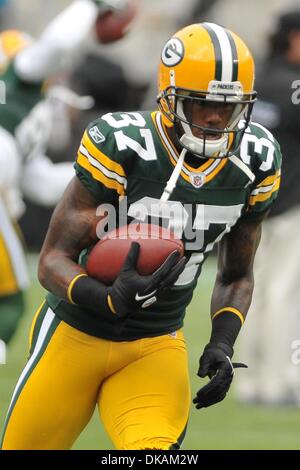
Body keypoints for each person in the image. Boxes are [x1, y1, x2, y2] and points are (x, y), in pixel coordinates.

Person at [1, 22, 281, 450]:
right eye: (201, 104)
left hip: (155, 343)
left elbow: (235, 275)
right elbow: (52, 260)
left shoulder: (256, 159)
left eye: (228, 108)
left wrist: (222, 343)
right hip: (74, 333)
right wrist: (106, 297)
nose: (214, 119)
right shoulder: (123, 143)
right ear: (170, 99)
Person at [0, 0, 135, 361]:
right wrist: (91, 6)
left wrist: (105, 175)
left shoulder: (28, 111)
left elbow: (40, 182)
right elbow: (56, 45)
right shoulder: (21, 73)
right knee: (9, 297)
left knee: (9, 298)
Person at [236, 9, 300, 406]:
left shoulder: (255, 81)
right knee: (285, 293)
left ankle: (248, 381)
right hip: (293, 202)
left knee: (248, 290)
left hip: (252, 203)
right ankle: (279, 381)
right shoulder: (296, 84)